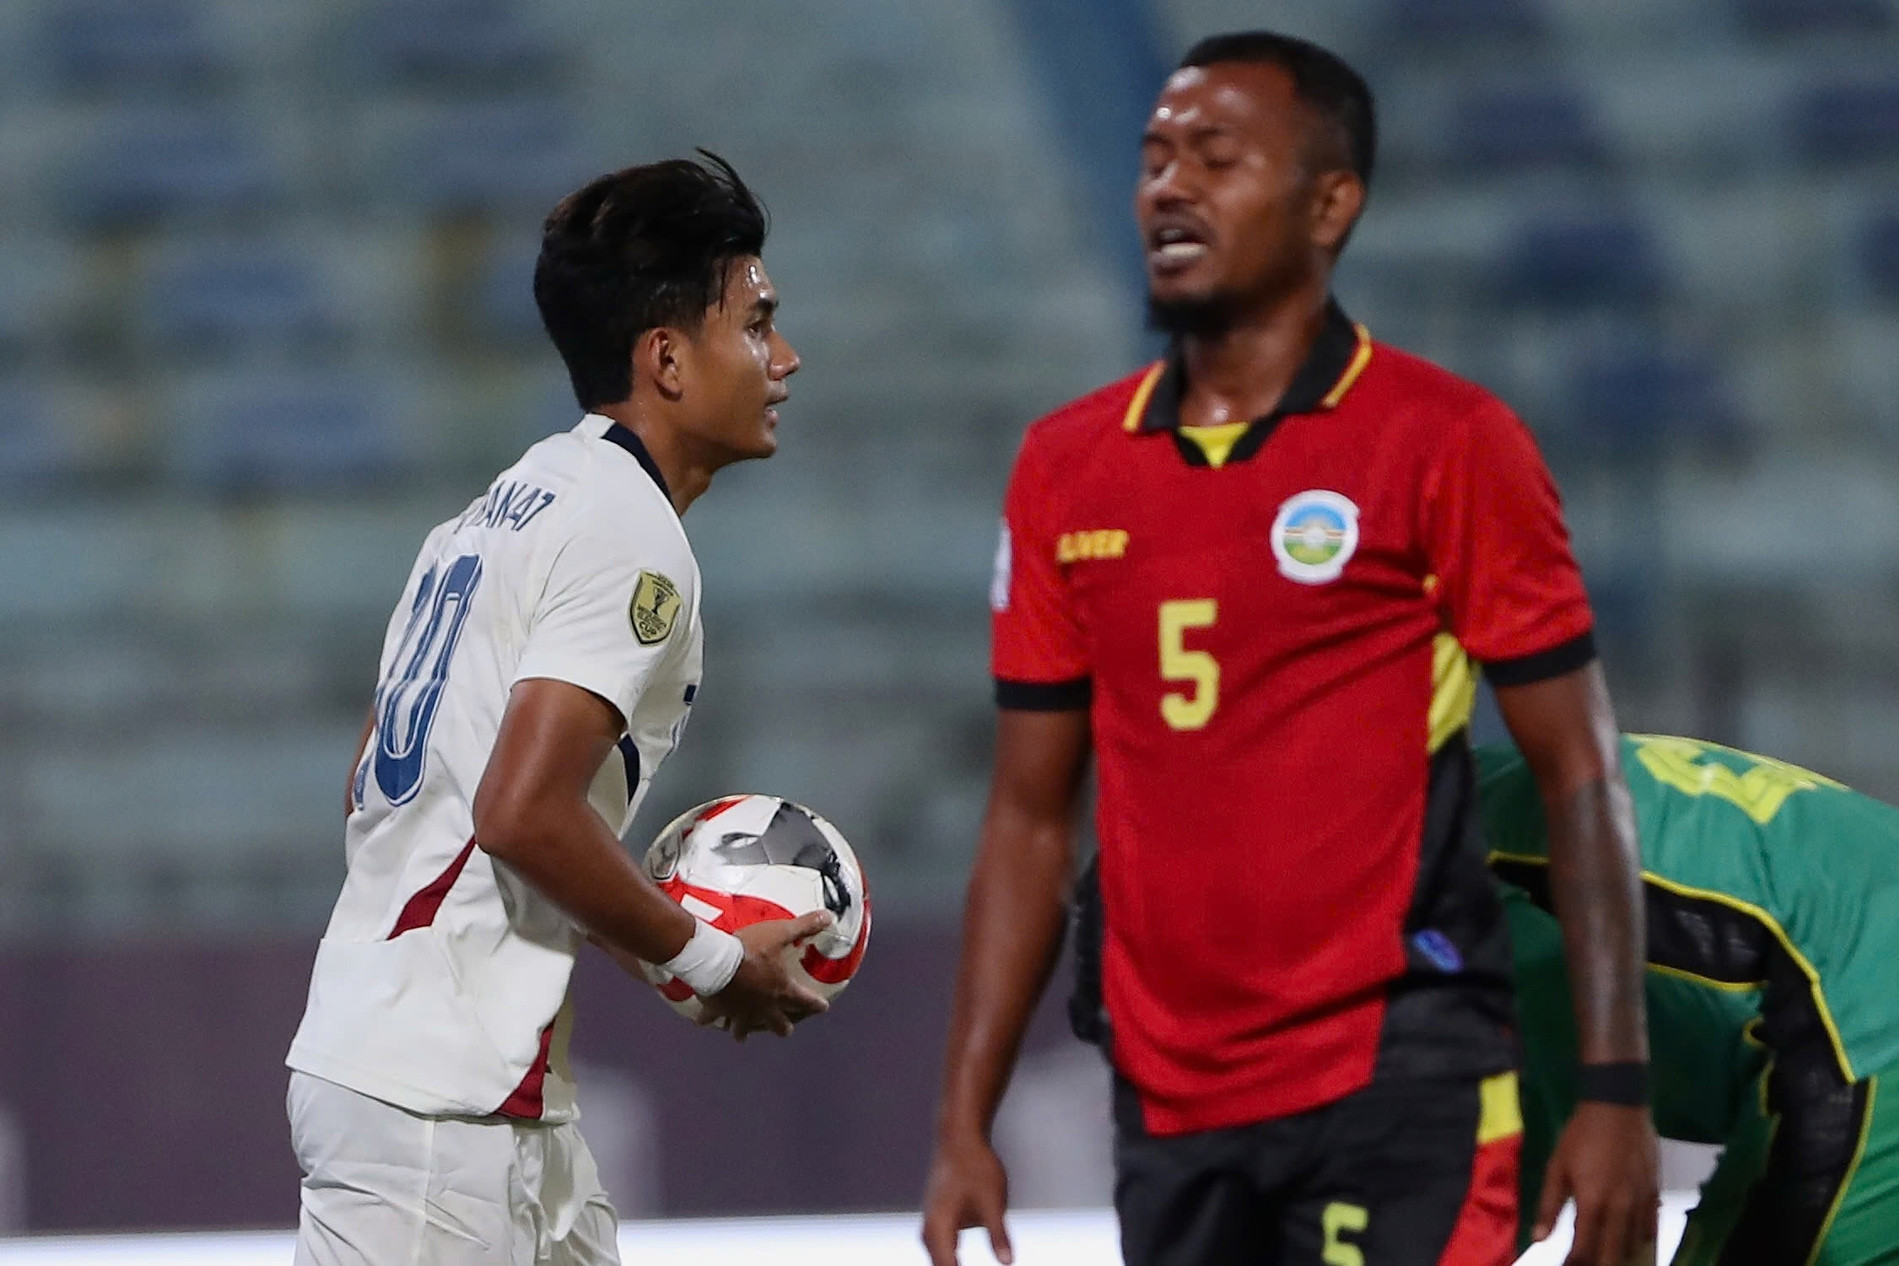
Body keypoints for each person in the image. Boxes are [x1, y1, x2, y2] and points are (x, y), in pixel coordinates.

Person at [922, 31, 1659, 1266]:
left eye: (1216, 157)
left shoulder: (1446, 442)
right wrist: (962, 1119)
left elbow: (1581, 772)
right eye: (1154, 156)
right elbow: (1029, 815)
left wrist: (1617, 1088)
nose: (1169, 186)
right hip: (1169, 1104)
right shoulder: (1066, 466)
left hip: (1400, 1071)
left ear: (1331, 204)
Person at [283, 152, 826, 1266]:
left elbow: (389, 784)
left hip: (461, 1080)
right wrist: (709, 961)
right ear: (668, 358)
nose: (785, 357)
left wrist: (672, 946)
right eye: (758, 323)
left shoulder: (494, 514)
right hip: (438, 1105)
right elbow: (521, 813)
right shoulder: (628, 532)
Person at [1481, 733, 1899, 1266]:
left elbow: (1481, 1178)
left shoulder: (1437, 886)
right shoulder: (1483, 795)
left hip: (1865, 1014)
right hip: (1853, 978)